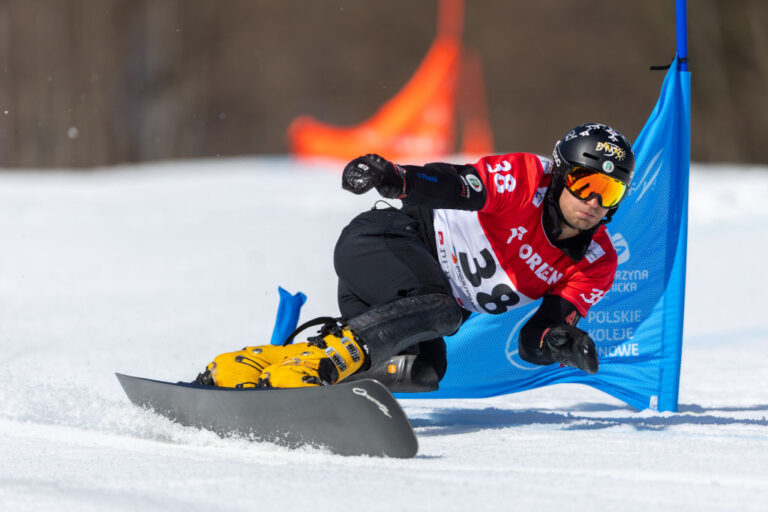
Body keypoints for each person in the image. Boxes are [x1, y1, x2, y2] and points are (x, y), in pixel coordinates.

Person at [197, 123, 635, 390]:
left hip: (398, 312)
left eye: (608, 191)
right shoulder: (525, 179)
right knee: (443, 310)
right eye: (584, 183)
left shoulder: (596, 262)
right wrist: (395, 177)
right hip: (383, 245)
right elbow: (456, 184)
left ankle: (255, 363)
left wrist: (558, 344)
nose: (593, 201)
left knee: (425, 370)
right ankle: (322, 366)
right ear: (560, 175)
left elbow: (534, 337)